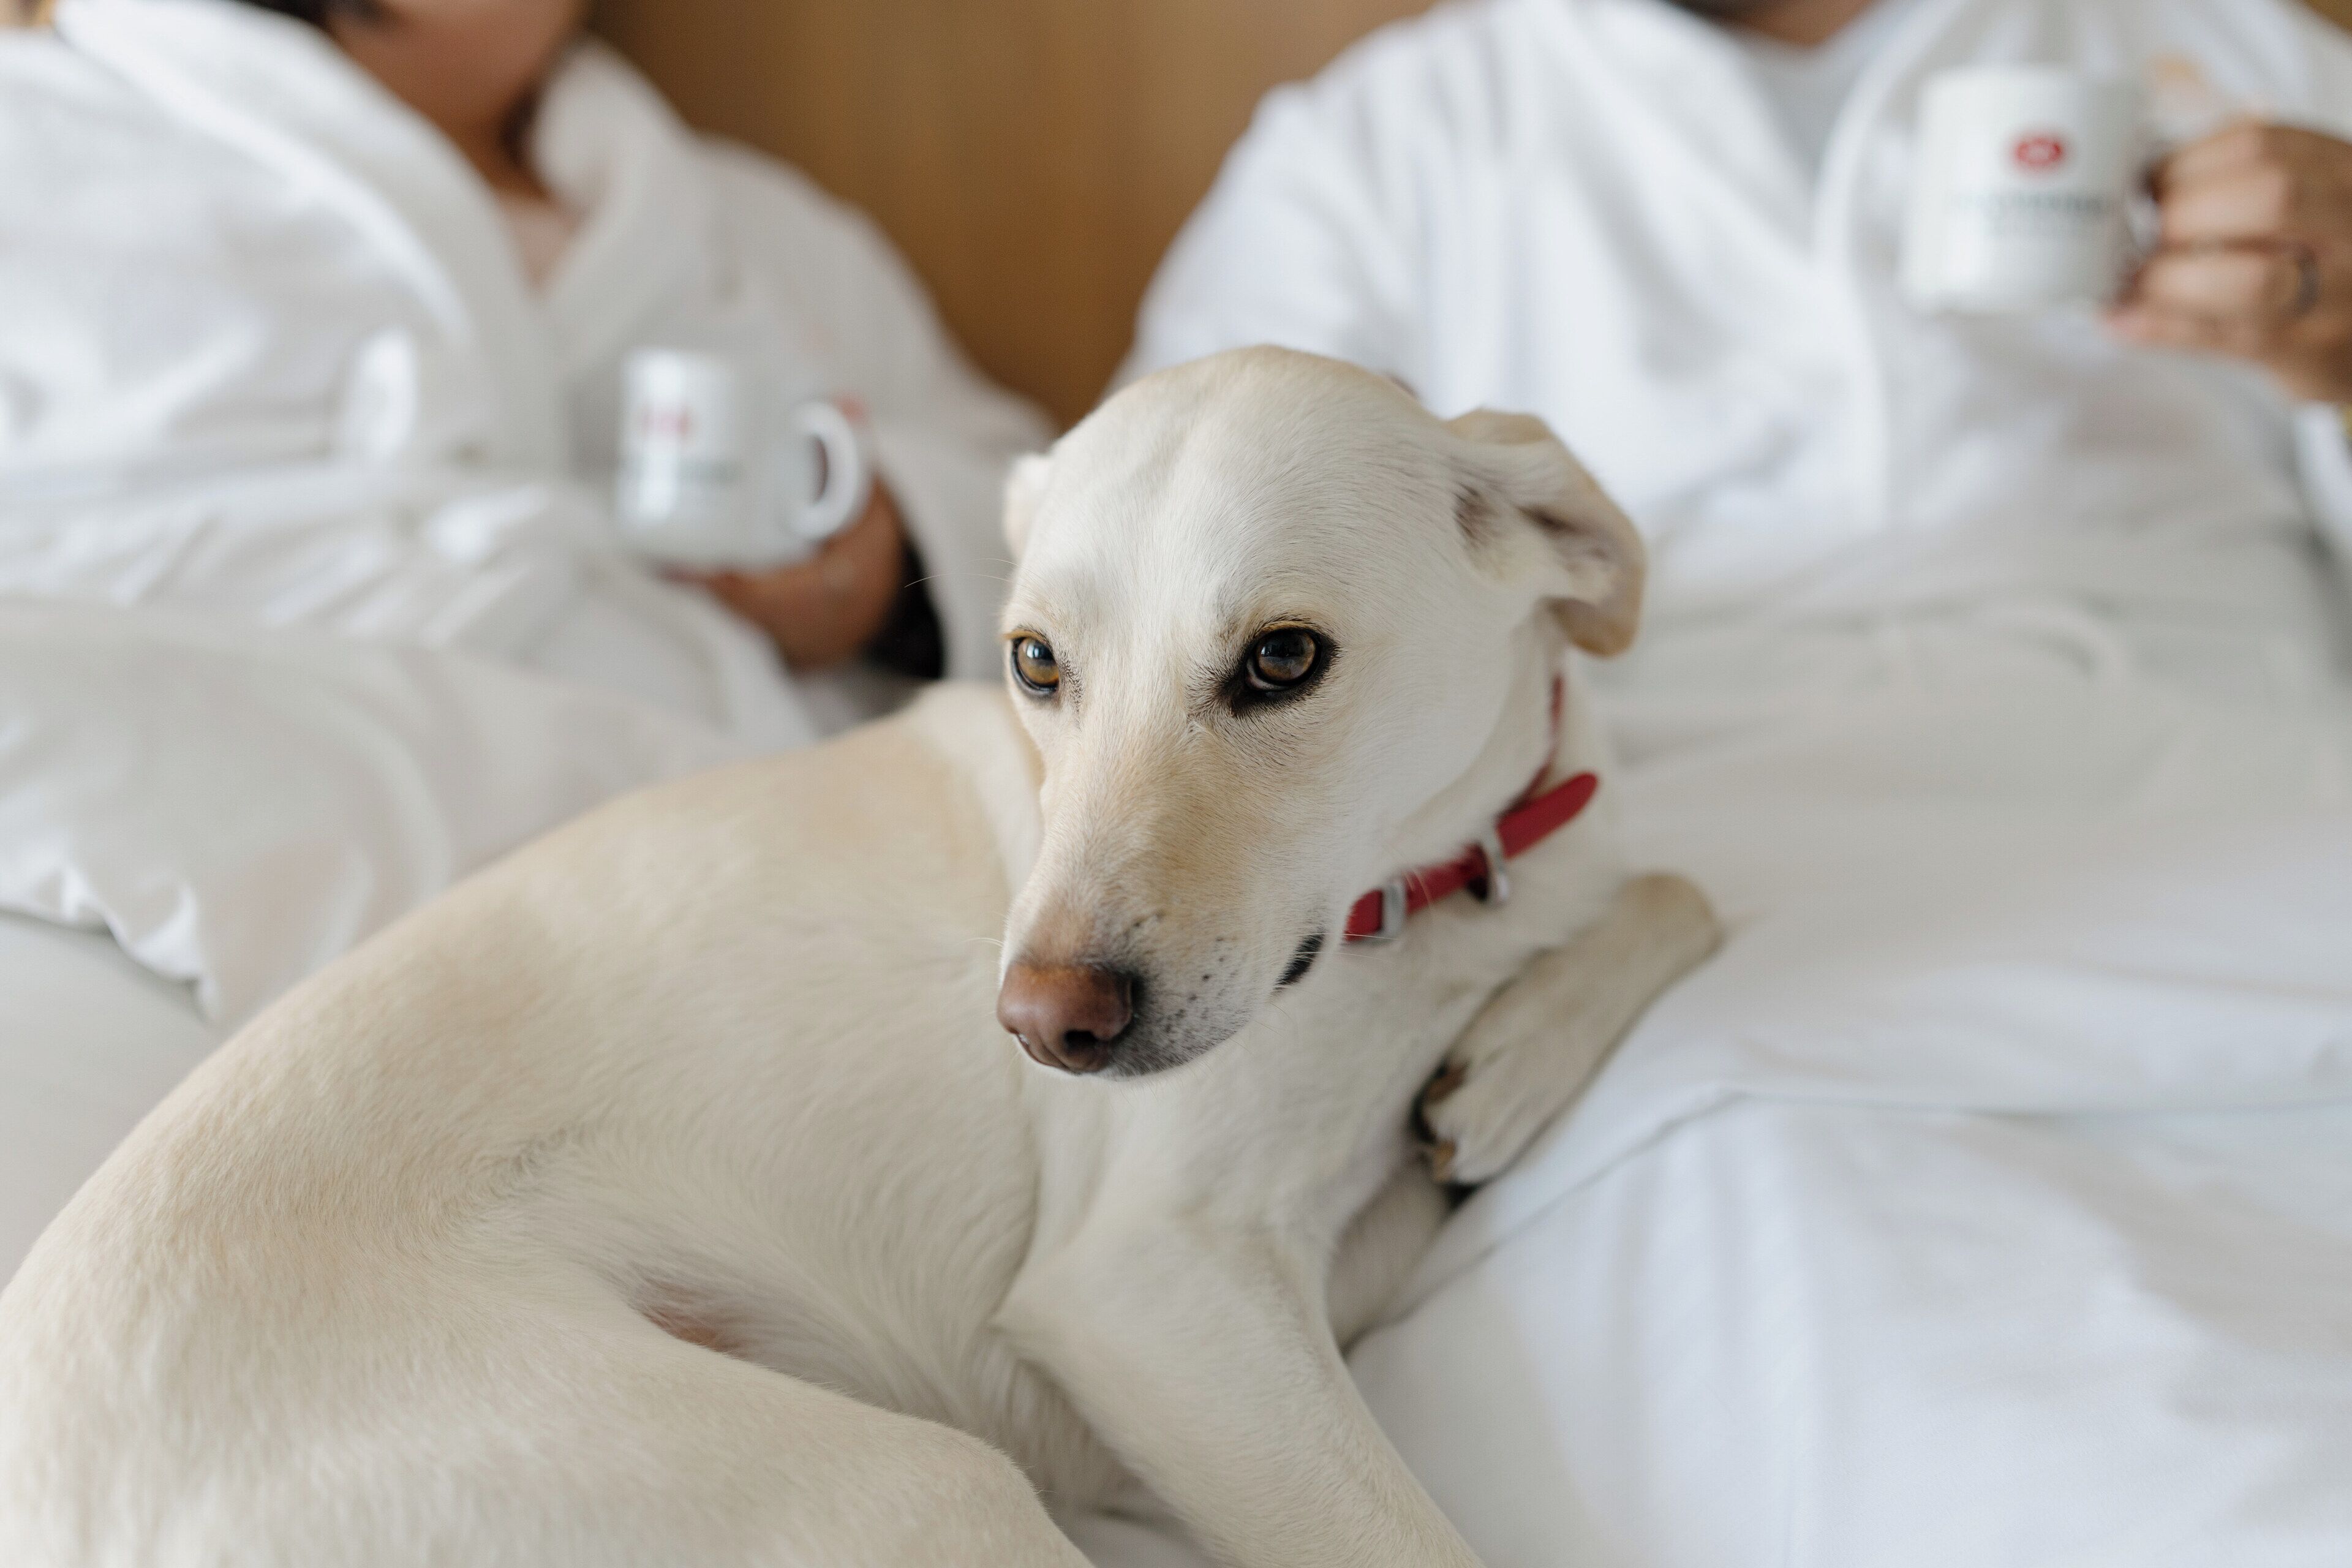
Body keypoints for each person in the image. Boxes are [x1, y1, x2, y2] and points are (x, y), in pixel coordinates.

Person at [0, 0, 1050, 744]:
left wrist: (885, 578)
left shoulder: (758, 231)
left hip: (738, 890)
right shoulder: (40, 141)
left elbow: (1066, 519)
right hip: (233, 842)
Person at [1127, 0, 2352, 627]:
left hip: (2225, 801)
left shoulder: (2246, 56)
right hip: (1645, 851)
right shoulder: (1379, 144)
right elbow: (1150, 568)